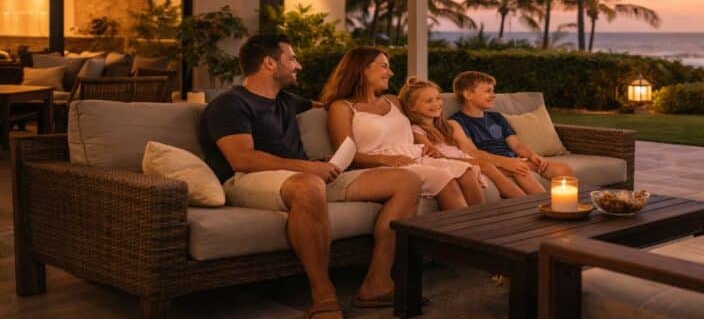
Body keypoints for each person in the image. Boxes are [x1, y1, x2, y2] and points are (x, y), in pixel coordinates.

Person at [199, 35, 421, 318]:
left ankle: (377, 283)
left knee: (407, 180)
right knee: (310, 184)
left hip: (305, 177)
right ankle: (323, 295)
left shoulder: (287, 101)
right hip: (246, 179)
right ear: (269, 63)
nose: (299, 65)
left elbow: (329, 106)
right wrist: (309, 168)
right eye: (291, 59)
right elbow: (242, 158)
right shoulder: (230, 104)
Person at [322, 47, 479, 211]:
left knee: (465, 172)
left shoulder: (393, 101)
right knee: (442, 176)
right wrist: (386, 160)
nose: (390, 73)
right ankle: (463, 234)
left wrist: (425, 143)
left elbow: (419, 117)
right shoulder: (342, 107)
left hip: (414, 156)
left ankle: (485, 229)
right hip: (380, 166)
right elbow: (345, 155)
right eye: (384, 66)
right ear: (362, 68)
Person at [398, 76, 527, 199]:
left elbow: (468, 149)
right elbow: (436, 157)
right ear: (412, 107)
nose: (437, 104)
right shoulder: (417, 130)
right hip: (449, 163)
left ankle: (528, 204)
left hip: (464, 159)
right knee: (487, 167)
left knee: (519, 170)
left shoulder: (447, 126)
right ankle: (486, 211)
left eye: (438, 98)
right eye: (429, 101)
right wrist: (473, 162)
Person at [448, 71, 573, 195]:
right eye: (488, 91)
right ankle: (544, 206)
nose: (493, 95)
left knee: (562, 169)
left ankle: (566, 206)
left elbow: (516, 145)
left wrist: (532, 155)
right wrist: (506, 162)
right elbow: (472, 152)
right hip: (490, 165)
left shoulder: (497, 117)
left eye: (493, 91)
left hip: (513, 160)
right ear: (468, 94)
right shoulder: (457, 122)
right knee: (521, 170)